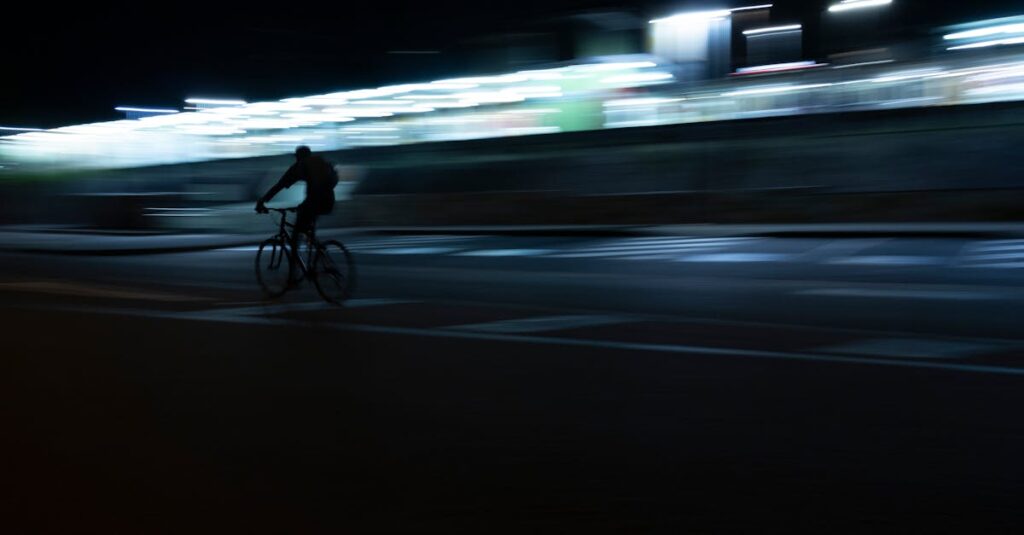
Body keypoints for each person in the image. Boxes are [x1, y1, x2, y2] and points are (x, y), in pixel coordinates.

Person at [255, 146, 338, 271]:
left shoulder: (299, 166)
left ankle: (293, 275)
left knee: (295, 236)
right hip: (329, 200)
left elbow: (279, 185)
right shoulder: (320, 162)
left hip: (314, 200)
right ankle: (317, 251)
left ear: (298, 156)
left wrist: (262, 201)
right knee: (306, 226)